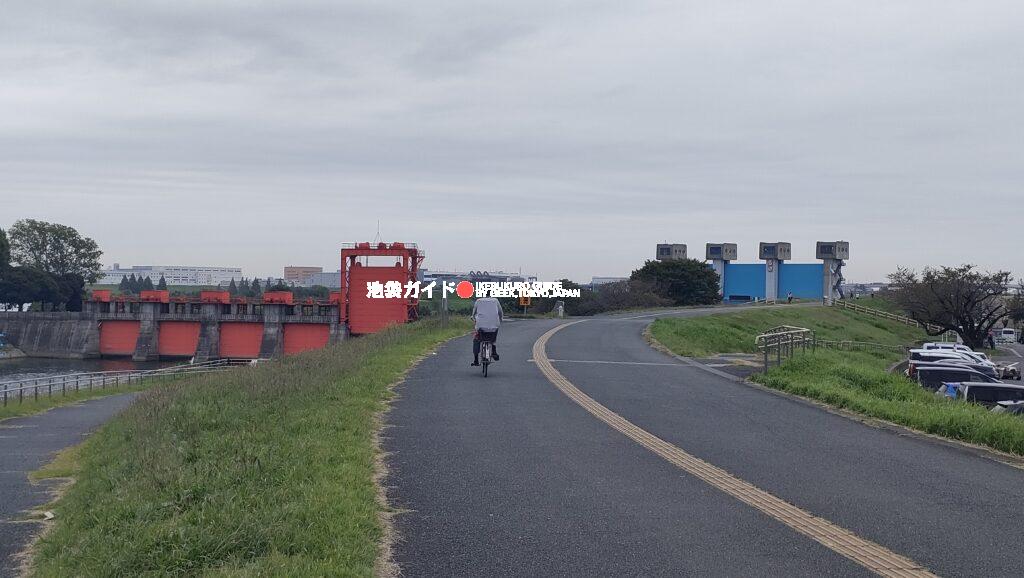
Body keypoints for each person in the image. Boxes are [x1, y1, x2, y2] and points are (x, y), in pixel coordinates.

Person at [471, 296, 503, 366]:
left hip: (481, 327)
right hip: (493, 326)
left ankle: (476, 360)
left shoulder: (478, 301)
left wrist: (473, 317)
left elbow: (474, 313)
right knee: (493, 337)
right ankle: (494, 351)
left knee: (477, 339)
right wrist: (500, 319)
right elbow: (500, 312)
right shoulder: (495, 300)